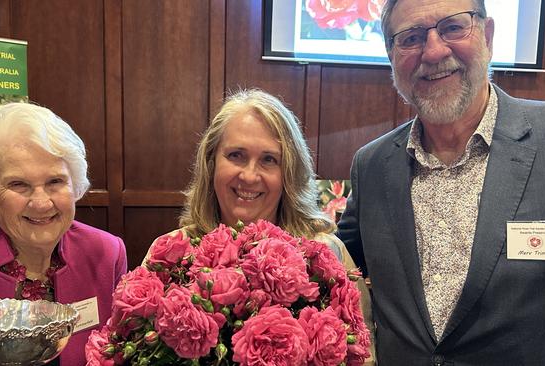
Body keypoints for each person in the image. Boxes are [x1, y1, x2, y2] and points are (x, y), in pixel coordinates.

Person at [337, 0, 545, 364]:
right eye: (411, 38)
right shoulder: (371, 166)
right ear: (391, 56)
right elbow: (336, 272)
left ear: (488, 35)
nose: (434, 51)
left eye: (452, 28)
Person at [142, 89, 376, 364]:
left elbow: (363, 355)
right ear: (211, 162)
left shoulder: (327, 253)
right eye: (236, 155)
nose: (250, 175)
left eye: (269, 160)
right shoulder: (170, 253)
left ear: (288, 172)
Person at [0, 103, 128, 365]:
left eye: (55, 182)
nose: (41, 202)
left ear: (76, 185)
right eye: (18, 184)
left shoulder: (106, 252)